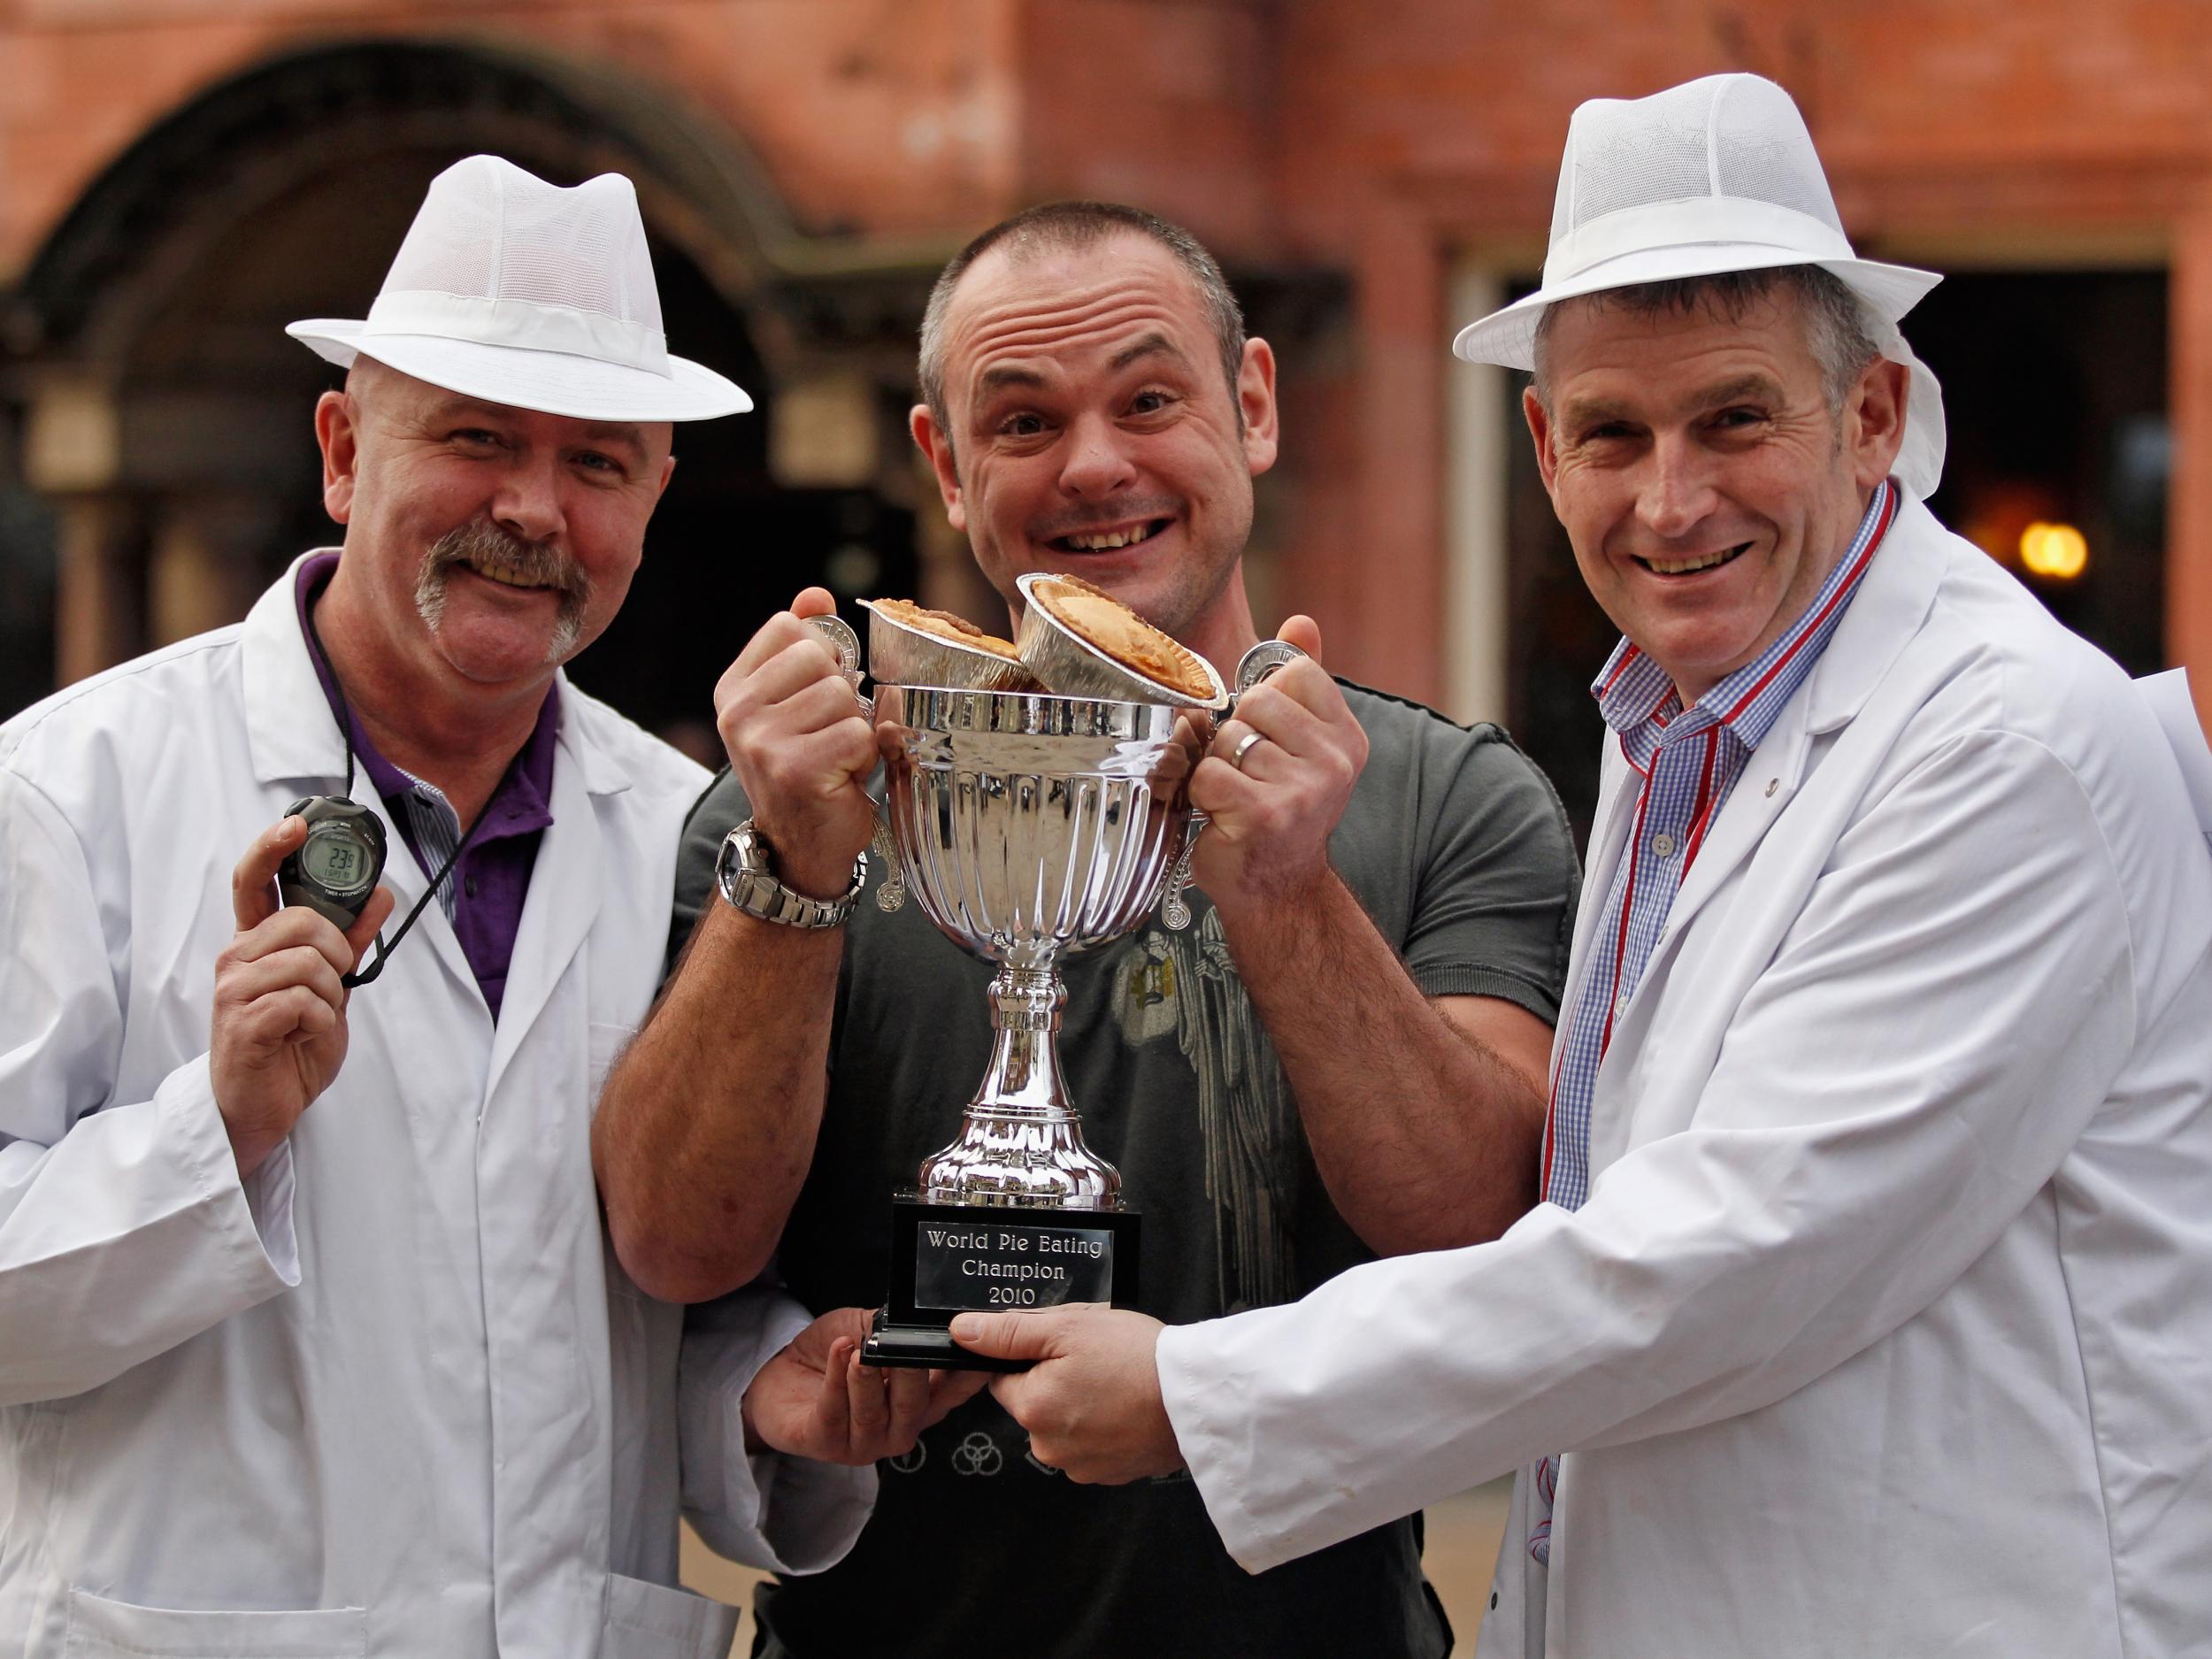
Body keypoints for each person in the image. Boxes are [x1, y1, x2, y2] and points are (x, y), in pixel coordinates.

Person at [954, 73, 2212, 1659]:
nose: (1671, 500)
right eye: (1614, 432)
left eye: (1737, 418)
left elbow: (1731, 1261)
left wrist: (1205, 1396)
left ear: (1875, 415)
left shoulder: (2011, 744)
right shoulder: (1677, 713)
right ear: (1545, 448)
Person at [0, 156, 977, 1659]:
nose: (532, 509)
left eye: (598, 462)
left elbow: (635, 1290)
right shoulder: (68, 791)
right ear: (342, 449)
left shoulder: (691, 836)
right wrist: (224, 1128)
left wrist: (763, 1391)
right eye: (475, 439)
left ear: (654, 495)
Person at [592, 201, 1581, 1657]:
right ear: (945, 464)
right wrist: (791, 870)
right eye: (1025, 420)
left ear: (1251, 405)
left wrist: (1292, 892)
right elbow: (677, 1245)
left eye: (1149, 399)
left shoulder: (1445, 796)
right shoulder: (797, 802)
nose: (1097, 465)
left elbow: (1484, 1229)